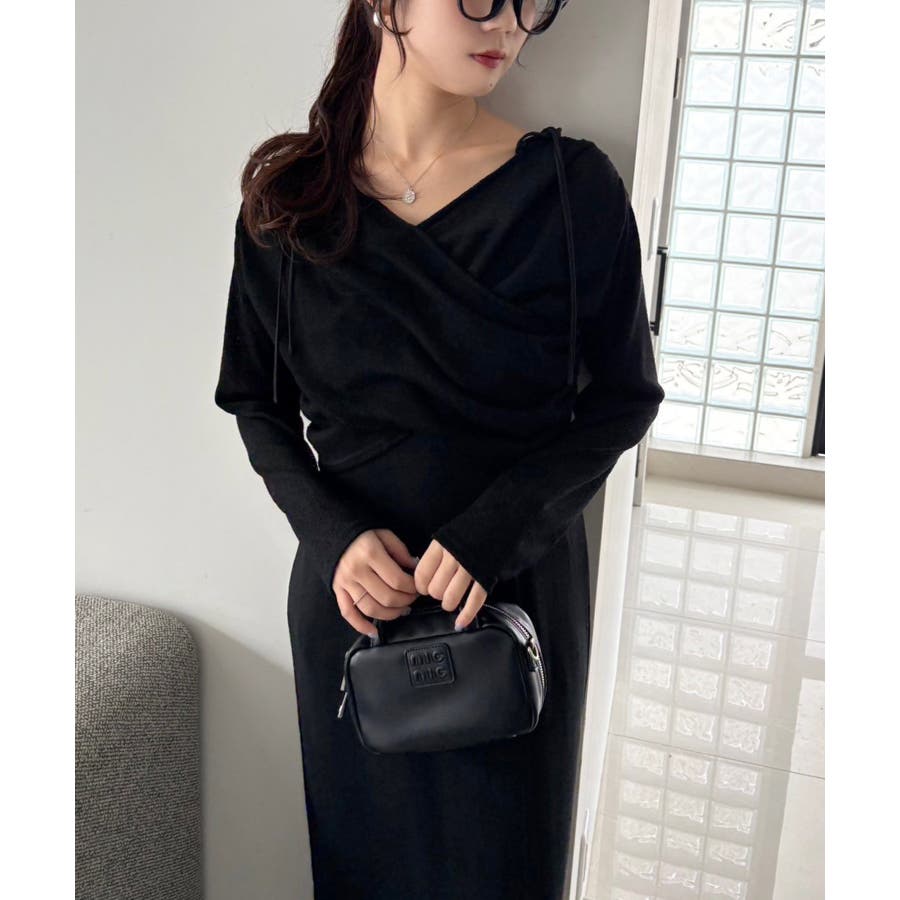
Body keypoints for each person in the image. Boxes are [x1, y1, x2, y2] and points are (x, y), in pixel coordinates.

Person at [214, 1, 665, 897]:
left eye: (531, 2)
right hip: (355, 608)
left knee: (507, 868)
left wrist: (499, 531)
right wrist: (333, 537)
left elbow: (624, 399)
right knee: (365, 868)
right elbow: (254, 403)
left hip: (514, 602)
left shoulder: (572, 191)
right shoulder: (289, 203)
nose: (511, 25)